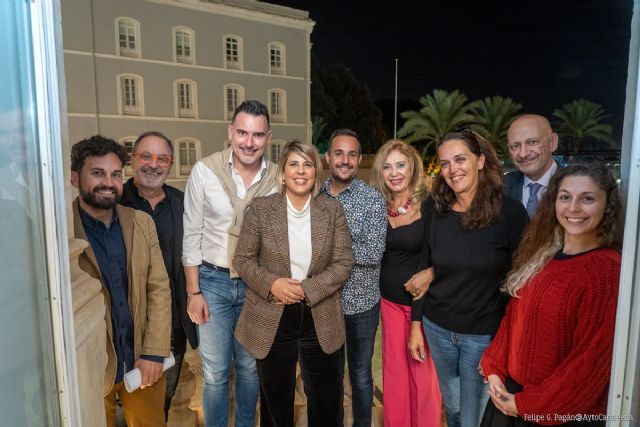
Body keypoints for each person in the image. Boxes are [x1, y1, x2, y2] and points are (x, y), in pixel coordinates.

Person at [480, 162, 623, 427]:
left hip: (552, 413)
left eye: (588, 198)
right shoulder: (544, 254)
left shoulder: (606, 270)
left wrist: (529, 406)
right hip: (511, 397)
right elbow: (514, 317)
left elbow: (588, 364)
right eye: (565, 197)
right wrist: (494, 369)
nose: (573, 208)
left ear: (607, 206)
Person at [409, 130, 529, 427]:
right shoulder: (435, 209)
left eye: (460, 159)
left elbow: (522, 280)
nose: (452, 169)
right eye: (445, 163)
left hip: (483, 336)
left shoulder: (510, 213)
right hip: (437, 329)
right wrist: (416, 324)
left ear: (480, 161)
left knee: (474, 415)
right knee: (452, 407)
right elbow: (426, 265)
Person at [233, 140, 354, 426]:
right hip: (273, 314)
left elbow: (343, 262)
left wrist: (306, 289)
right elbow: (244, 259)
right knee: (276, 401)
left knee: (327, 401)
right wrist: (273, 283)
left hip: (320, 315)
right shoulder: (261, 209)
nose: (301, 171)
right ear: (283, 173)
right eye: (294, 164)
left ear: (316, 172)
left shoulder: (332, 209)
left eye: (308, 164)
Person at [182, 100, 277, 427]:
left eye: (257, 135)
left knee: (250, 369)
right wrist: (194, 292)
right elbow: (191, 234)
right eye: (242, 133)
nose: (249, 142)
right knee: (216, 372)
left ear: (267, 137)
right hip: (212, 282)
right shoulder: (204, 171)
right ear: (230, 132)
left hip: (256, 286)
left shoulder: (277, 178)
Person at [70, 135, 171, 427]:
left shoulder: (141, 223)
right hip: (89, 368)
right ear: (75, 178)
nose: (109, 182)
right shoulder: (60, 230)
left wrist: (154, 352)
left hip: (142, 362)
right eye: (97, 173)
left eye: (116, 174)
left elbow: (159, 290)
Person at [119, 131, 198, 420]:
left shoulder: (183, 204)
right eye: (146, 156)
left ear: (171, 164)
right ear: (132, 159)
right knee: (119, 396)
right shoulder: (115, 202)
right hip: (125, 322)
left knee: (160, 400)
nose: (154, 164)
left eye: (161, 158)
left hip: (172, 325)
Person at [371, 139, 441, 427]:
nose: (394, 172)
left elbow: (435, 257)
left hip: (421, 307)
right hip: (388, 304)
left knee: (423, 380)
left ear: (413, 167)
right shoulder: (380, 205)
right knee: (395, 377)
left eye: (400, 165)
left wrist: (416, 319)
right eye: (387, 167)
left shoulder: (430, 205)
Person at [320, 129, 387, 426]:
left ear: (359, 159)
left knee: (360, 376)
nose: (344, 160)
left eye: (351, 154)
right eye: (338, 153)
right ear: (327, 157)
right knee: (328, 376)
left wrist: (330, 248)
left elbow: (373, 253)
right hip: (323, 304)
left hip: (361, 305)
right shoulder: (313, 195)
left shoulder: (372, 198)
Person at [504, 114, 559, 217]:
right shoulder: (501, 187)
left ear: (552, 143)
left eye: (532, 142)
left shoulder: (576, 185)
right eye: (515, 146)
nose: (523, 154)